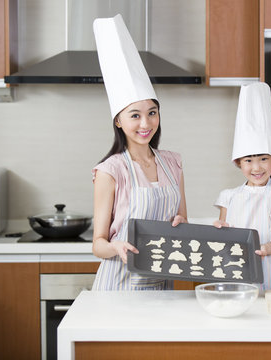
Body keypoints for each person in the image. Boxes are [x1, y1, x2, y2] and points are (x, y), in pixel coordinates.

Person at [91, 14, 187, 291]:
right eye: (135, 116)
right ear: (119, 121)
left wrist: (181, 224)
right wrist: (115, 246)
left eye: (152, 113)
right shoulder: (110, 170)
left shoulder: (173, 162)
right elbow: (98, 244)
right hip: (118, 284)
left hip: (162, 282)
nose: (146, 124)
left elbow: (182, 219)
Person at [213, 82, 271, 291]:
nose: (257, 167)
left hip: (269, 278)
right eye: (249, 160)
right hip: (234, 273)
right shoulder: (228, 196)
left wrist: (261, 249)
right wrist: (218, 231)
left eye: (263, 159)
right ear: (238, 163)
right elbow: (223, 238)